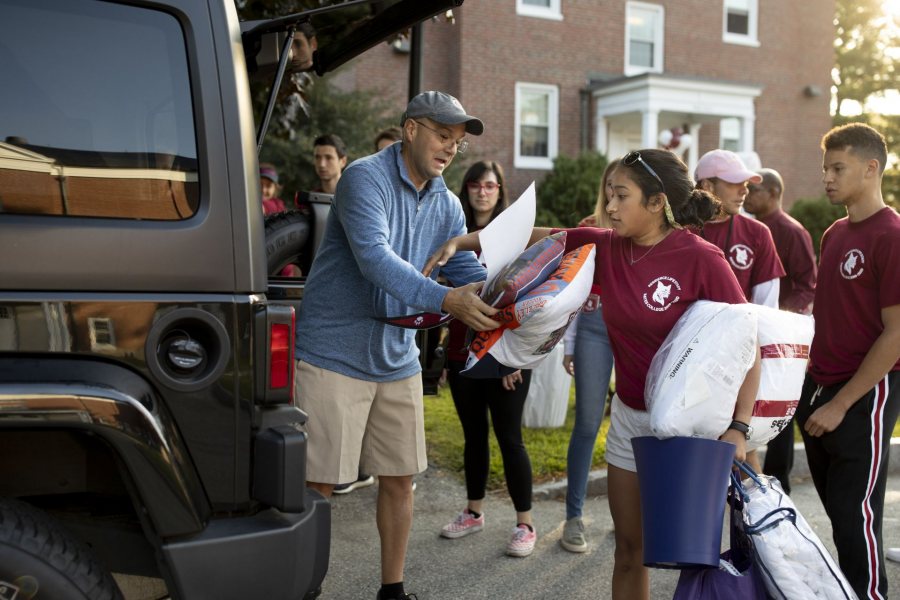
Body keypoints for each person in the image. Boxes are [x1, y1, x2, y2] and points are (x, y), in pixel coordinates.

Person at [426, 149, 761, 600]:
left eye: (622, 196)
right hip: (628, 419)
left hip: (690, 431)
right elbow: (539, 236)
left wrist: (739, 428)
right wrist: (461, 243)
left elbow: (748, 345)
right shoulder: (606, 246)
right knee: (629, 550)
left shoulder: (703, 259)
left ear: (657, 202)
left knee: (691, 558)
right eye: (609, 195)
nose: (612, 206)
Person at [293, 91, 497, 600]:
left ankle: (392, 590)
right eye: (442, 135)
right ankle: (301, 586)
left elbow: (468, 275)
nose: (450, 149)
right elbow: (375, 260)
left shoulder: (449, 204)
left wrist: (522, 296)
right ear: (410, 130)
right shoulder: (365, 178)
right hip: (333, 352)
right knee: (318, 485)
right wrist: (446, 299)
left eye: (457, 142)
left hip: (397, 356)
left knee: (400, 478)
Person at [794, 123, 900, 600]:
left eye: (838, 168)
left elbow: (896, 333)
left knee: (855, 516)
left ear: (871, 167)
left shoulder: (893, 235)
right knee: (840, 513)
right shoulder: (835, 233)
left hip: (866, 394)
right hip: (818, 387)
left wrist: (842, 404)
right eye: (825, 168)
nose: (828, 178)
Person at [439, 161, 537, 557]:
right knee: (474, 436)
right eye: (475, 184)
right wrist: (446, 353)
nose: (482, 191)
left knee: (510, 439)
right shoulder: (451, 233)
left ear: (500, 191)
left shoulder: (517, 237)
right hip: (462, 353)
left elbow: (532, 302)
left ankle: (525, 524)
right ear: (466, 189)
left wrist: (513, 360)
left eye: (490, 185)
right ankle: (473, 512)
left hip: (506, 357)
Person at [744, 167, 818, 494]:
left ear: (773, 193)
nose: (746, 194)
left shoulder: (792, 231)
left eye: (753, 190)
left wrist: (780, 319)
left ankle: (779, 484)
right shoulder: (748, 230)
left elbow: (807, 285)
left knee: (777, 408)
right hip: (747, 334)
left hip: (781, 340)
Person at [558, 158, 619, 553]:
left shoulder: (648, 231)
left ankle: (628, 515)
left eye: (624, 188)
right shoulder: (589, 228)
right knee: (587, 424)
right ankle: (573, 517)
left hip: (635, 335)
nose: (615, 196)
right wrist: (568, 344)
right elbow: (574, 293)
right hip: (594, 332)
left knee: (632, 427)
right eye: (610, 187)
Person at [695, 149, 785, 308]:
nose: (745, 190)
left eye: (745, 183)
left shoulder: (758, 233)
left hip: (741, 331)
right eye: (733, 183)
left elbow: (767, 306)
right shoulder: (678, 231)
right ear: (707, 186)